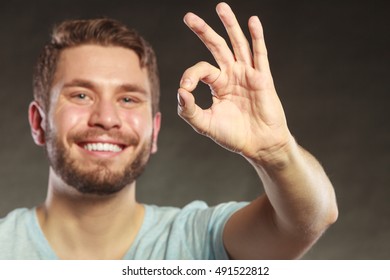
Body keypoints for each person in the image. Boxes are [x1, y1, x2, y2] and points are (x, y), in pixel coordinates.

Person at [0, 2, 338, 259]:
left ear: (154, 131)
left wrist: (275, 151)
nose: (106, 118)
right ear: (37, 122)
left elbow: (311, 217)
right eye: (81, 95)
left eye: (129, 98)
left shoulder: (199, 241)